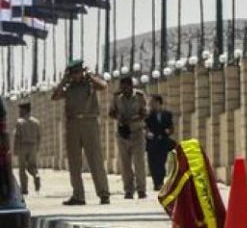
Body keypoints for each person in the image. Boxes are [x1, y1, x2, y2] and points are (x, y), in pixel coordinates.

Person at [51, 59, 111, 205]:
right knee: (74, 162)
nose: (76, 75)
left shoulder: (90, 83)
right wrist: (64, 80)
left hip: (89, 122)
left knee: (95, 159)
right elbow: (55, 96)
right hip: (73, 124)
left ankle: (103, 193)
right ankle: (78, 195)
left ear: (82, 71)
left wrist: (90, 75)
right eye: (73, 72)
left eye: (78, 71)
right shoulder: (69, 87)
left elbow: (103, 86)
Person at [108, 74, 147, 199]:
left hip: (137, 132)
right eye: (121, 87)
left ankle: (141, 189)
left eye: (125, 87)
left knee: (139, 162)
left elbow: (144, 113)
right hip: (122, 133)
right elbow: (111, 113)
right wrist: (119, 117)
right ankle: (128, 190)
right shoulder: (117, 97)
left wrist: (133, 118)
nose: (123, 90)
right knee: (125, 164)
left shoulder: (139, 96)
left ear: (131, 86)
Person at [144, 94, 175, 192]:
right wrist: (147, 133)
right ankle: (156, 182)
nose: (150, 104)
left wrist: (168, 131)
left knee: (161, 162)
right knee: (153, 163)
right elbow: (145, 127)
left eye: (152, 102)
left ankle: (160, 182)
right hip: (152, 142)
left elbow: (171, 127)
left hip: (163, 142)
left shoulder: (167, 114)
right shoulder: (148, 115)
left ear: (158, 102)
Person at [13, 101, 40, 195]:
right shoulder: (36, 122)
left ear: (24, 110)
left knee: (22, 168)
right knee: (32, 166)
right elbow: (39, 136)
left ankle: (24, 189)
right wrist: (37, 147)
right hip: (33, 145)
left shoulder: (20, 122)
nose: (19, 111)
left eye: (20, 110)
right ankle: (36, 175)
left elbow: (17, 136)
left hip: (23, 146)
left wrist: (15, 149)